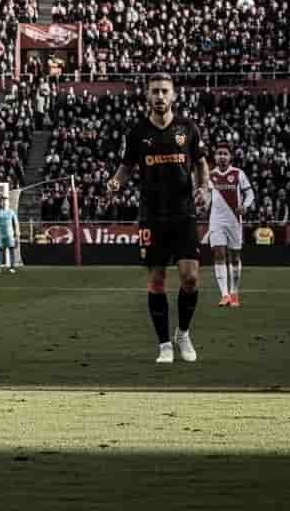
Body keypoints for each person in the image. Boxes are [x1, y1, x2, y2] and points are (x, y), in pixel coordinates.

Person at [105, 73, 211, 364]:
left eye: (165, 91)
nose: (160, 96)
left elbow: (201, 164)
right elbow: (125, 167)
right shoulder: (137, 133)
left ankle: (183, 333)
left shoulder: (188, 129)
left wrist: (204, 188)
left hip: (184, 213)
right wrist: (115, 183)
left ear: (174, 95)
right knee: (157, 279)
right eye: (155, 91)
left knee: (190, 278)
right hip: (152, 215)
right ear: (147, 96)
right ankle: (164, 344)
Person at [208, 142, 254, 307]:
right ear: (215, 156)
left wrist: (245, 206)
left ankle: (234, 293)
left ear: (230, 157)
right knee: (219, 254)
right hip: (216, 221)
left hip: (234, 220)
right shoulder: (210, 175)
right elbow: (206, 196)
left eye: (225, 153)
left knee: (235, 257)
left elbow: (250, 193)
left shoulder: (238, 174)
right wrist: (201, 201)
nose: (222, 156)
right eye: (219, 153)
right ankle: (224, 294)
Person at [0, 196, 18, 273]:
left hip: (10, 235)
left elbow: (15, 224)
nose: (4, 203)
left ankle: (12, 267)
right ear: (1, 203)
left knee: (11, 250)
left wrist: (16, 235)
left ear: (8, 203)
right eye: (3, 201)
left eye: (6, 201)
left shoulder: (12, 212)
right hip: (0, 234)